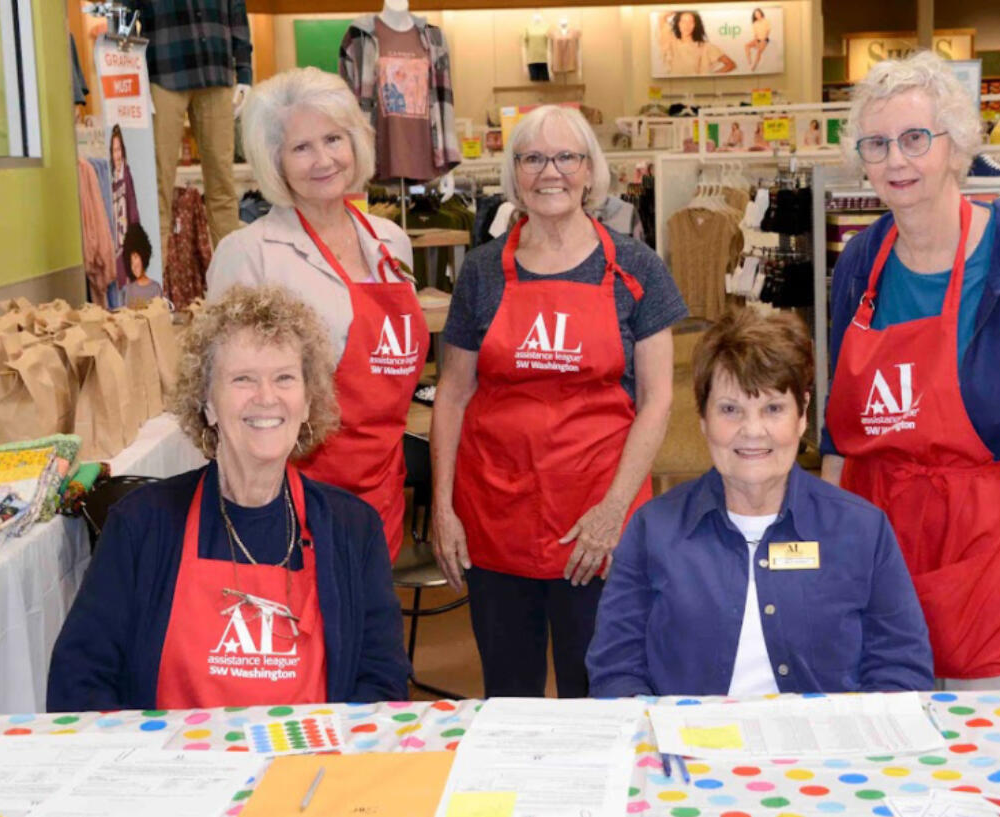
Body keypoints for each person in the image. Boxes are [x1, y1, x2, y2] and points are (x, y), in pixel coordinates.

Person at [824, 51, 1000, 689]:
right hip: (885, 545)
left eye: (914, 138)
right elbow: (838, 431)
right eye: (876, 144)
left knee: (997, 751)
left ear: (956, 148)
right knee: (893, 742)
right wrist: (830, 559)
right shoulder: (859, 264)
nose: (895, 160)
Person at [47, 286, 409, 711]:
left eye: (285, 378)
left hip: (308, 766)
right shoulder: (141, 525)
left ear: (308, 402)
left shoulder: (353, 529)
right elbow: (80, 679)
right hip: (176, 767)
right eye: (243, 379)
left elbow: (382, 683)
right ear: (207, 403)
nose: (267, 397)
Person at [431, 105, 687, 698]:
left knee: (597, 688)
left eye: (567, 157)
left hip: (596, 520)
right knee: (508, 691)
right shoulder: (480, 273)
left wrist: (612, 511)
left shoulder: (635, 266)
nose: (552, 172)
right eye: (533, 158)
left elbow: (658, 400)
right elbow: (452, 393)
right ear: (514, 172)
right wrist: (443, 509)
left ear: (590, 172)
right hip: (495, 517)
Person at [587, 310, 933, 696]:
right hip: (689, 749)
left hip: (824, 750)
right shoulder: (652, 531)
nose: (752, 431)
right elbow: (616, 669)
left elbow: (901, 668)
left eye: (773, 408)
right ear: (702, 418)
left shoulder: (863, 531)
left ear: (802, 415)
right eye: (730, 409)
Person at [207, 67, 426, 563]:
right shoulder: (250, 252)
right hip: (289, 499)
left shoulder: (390, 243)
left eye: (333, 138)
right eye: (301, 148)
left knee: (364, 633)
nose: (324, 159)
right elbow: (225, 394)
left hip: (380, 491)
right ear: (274, 162)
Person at [110, 124, 139, 309]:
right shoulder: (107, 177)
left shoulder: (126, 175)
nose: (117, 155)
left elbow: (133, 209)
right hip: (112, 245)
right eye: (114, 150)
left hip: (125, 243)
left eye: (119, 149)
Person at [665, 11, 736, 76]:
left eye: (691, 22)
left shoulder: (705, 47)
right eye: (683, 21)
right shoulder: (672, 43)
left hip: (697, 88)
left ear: (695, 25)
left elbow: (731, 64)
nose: (687, 25)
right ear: (678, 23)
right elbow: (662, 21)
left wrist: (709, 78)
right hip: (675, 88)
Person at [121, 223, 164, 308]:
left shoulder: (155, 288)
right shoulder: (127, 290)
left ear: (144, 255)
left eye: (136, 257)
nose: (134, 265)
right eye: (130, 261)